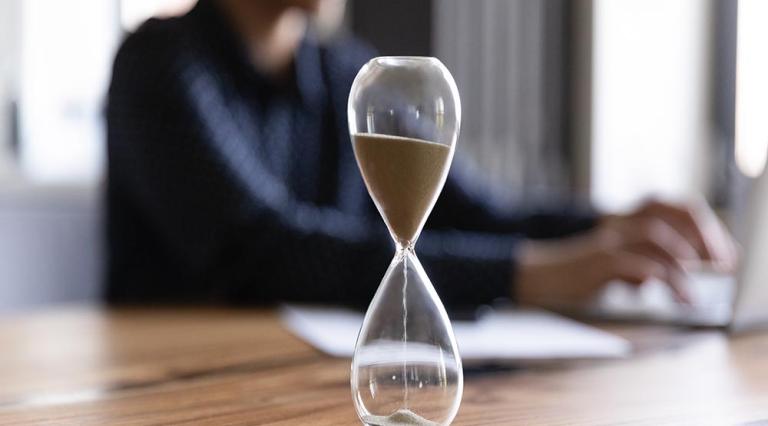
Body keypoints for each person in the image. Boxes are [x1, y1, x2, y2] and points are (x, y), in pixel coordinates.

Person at [106, 0, 737, 310]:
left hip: (315, 377)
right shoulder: (158, 64)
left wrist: (609, 227)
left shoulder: (349, 74)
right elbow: (261, 250)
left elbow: (474, 211)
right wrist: (532, 273)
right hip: (183, 381)